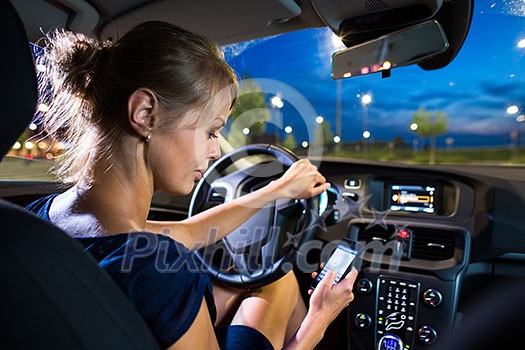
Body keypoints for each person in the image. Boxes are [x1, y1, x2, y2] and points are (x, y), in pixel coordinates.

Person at [27, 21, 358, 350]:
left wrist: (278, 190)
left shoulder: (37, 219)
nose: (215, 151)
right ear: (145, 114)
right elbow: (169, 248)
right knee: (279, 281)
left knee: (256, 281)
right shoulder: (156, 268)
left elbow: (188, 232)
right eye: (211, 131)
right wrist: (319, 322)